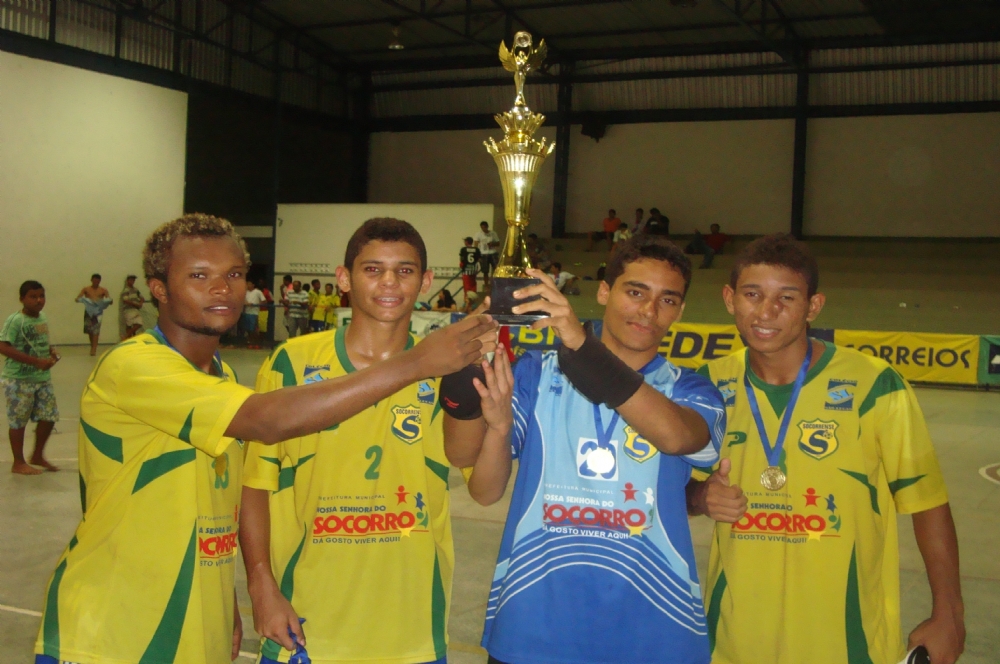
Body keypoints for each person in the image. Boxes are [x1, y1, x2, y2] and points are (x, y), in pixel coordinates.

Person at [33, 213, 496, 664]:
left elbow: (216, 505)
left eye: (234, 274)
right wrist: (417, 363)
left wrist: (228, 603)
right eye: (199, 275)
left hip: (203, 630)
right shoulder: (135, 366)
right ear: (159, 289)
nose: (222, 288)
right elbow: (266, 423)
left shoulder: (222, 378)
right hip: (113, 633)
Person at [443, 234, 726, 664]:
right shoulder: (536, 374)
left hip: (655, 632)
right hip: (533, 626)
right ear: (604, 291)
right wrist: (474, 383)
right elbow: (482, 489)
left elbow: (676, 437)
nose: (649, 311)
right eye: (635, 292)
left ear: (681, 310)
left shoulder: (691, 390)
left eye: (667, 300)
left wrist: (580, 346)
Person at [686, 234, 964, 664]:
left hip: (847, 643)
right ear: (729, 298)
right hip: (734, 641)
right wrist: (702, 497)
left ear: (813, 307)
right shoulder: (705, 387)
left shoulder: (876, 385)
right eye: (753, 294)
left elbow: (927, 504)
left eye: (787, 298)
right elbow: (670, 492)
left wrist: (949, 613)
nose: (766, 311)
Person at [240, 218, 498, 663]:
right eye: (373, 269)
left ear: (426, 281)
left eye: (405, 270)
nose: (389, 283)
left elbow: (483, 485)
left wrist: (493, 408)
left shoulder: (448, 369)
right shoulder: (292, 363)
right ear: (344, 278)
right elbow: (254, 483)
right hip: (307, 624)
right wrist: (261, 583)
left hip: (410, 630)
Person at [1, 280, 60, 475]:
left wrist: (49, 353)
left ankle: (37, 455)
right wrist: (34, 361)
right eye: (33, 297)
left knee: (49, 416)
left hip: (41, 378)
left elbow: (38, 341)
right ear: (22, 299)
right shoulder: (16, 320)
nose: (39, 300)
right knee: (19, 421)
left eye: (41, 296)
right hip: (18, 379)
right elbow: (3, 346)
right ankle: (18, 462)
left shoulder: (42, 318)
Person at [77, 273, 112, 356]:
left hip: (98, 312)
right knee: (90, 331)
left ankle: (94, 349)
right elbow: (78, 297)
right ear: (91, 280)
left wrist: (108, 301)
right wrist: (81, 300)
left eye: (98, 280)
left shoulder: (103, 290)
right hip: (89, 311)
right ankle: (93, 345)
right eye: (95, 280)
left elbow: (108, 299)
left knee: (96, 330)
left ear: (100, 281)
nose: (96, 282)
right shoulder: (86, 289)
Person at [119, 274, 145, 340]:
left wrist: (140, 303)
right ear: (127, 281)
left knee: (139, 323)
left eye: (133, 280)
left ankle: (126, 336)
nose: (132, 281)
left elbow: (142, 297)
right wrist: (136, 304)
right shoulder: (126, 290)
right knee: (129, 324)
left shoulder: (136, 290)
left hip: (135, 310)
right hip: (128, 310)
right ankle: (128, 338)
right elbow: (126, 300)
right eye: (131, 280)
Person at [476, 221, 501, 287]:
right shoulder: (478, 234)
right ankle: (486, 284)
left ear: (487, 227)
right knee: (485, 271)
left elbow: (498, 243)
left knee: (496, 269)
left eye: (484, 227)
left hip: (492, 253)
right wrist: (478, 256)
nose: (483, 229)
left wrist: (492, 244)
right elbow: (476, 245)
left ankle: (495, 283)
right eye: (482, 228)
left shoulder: (493, 233)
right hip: (483, 254)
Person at [244, 280, 268, 348]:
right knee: (248, 329)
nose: (248, 285)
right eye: (247, 284)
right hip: (247, 312)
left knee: (254, 329)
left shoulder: (258, 292)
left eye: (249, 284)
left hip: (254, 313)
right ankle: (250, 342)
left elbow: (264, 301)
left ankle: (257, 343)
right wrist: (246, 303)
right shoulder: (245, 292)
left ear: (253, 285)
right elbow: (242, 300)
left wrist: (255, 305)